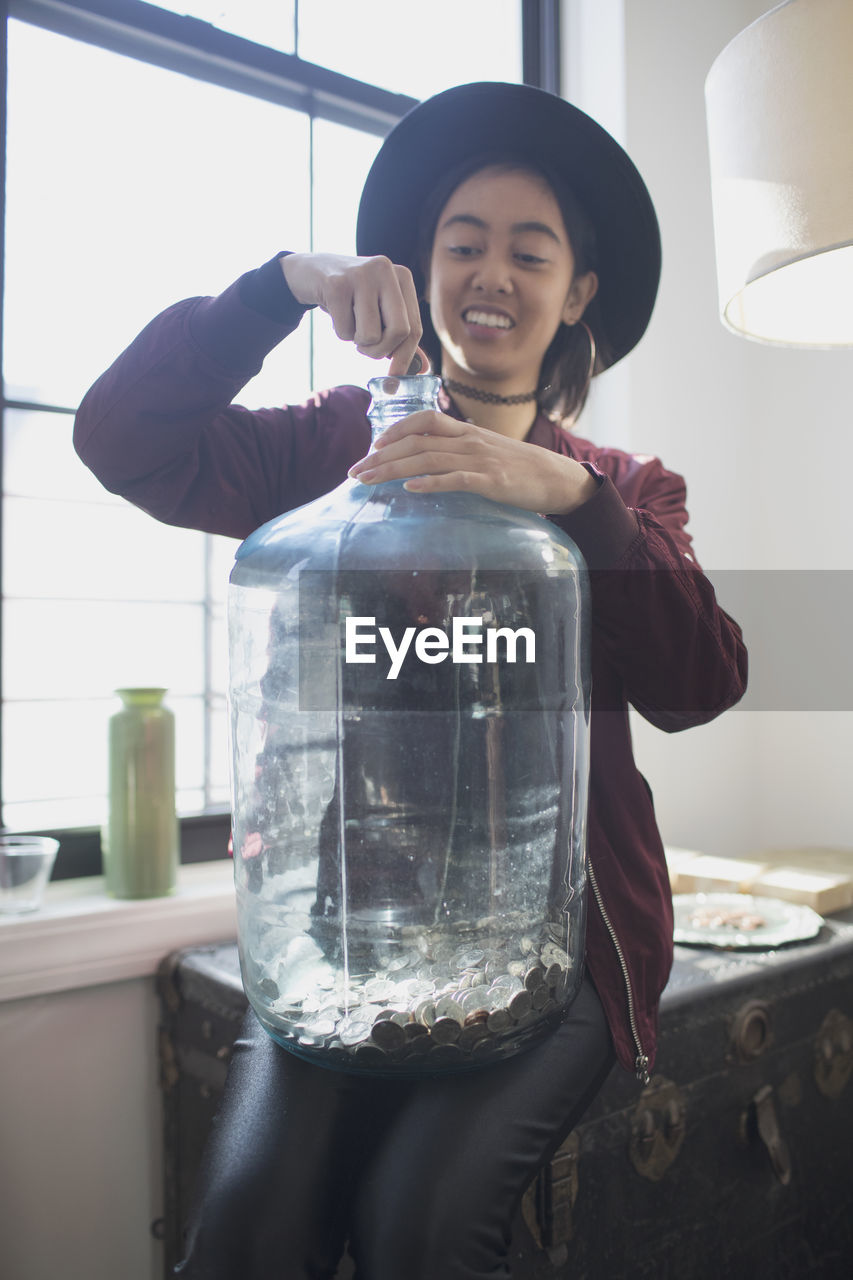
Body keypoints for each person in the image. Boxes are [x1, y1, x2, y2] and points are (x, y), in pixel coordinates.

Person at [74, 82, 747, 1280]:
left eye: (529, 251)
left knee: (420, 1230)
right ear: (422, 271)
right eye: (464, 243)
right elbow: (125, 437)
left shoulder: (628, 487)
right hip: (354, 934)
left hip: (569, 938)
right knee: (246, 1227)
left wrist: (569, 498)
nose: (493, 272)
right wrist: (280, 283)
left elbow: (702, 680)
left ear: (575, 293)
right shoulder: (341, 448)